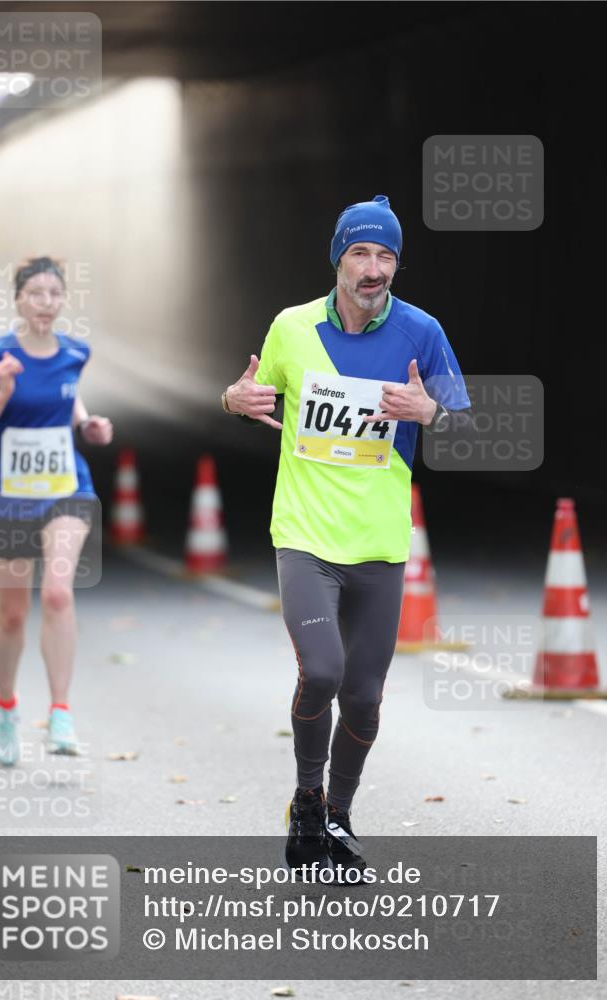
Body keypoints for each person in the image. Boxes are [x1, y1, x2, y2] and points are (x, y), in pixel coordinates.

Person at [221, 195, 473, 880]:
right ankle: (306, 798)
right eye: (360, 252)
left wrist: (430, 412)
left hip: (380, 544)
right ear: (338, 258)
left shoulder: (421, 332)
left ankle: (336, 814)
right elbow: (250, 394)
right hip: (303, 534)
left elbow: (464, 426)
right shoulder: (291, 328)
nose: (373, 267)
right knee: (323, 672)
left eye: (385, 254)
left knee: (363, 695)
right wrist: (232, 401)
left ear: (396, 264)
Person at [0, 256, 113, 766]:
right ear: (19, 299)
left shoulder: (75, 352)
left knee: (56, 594)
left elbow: (68, 399)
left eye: (54, 293)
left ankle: (61, 712)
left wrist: (89, 424)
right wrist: (4, 390)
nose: (46, 302)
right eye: (36, 293)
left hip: (67, 489)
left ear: (62, 299)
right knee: (12, 612)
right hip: (8, 497)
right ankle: (6, 709)